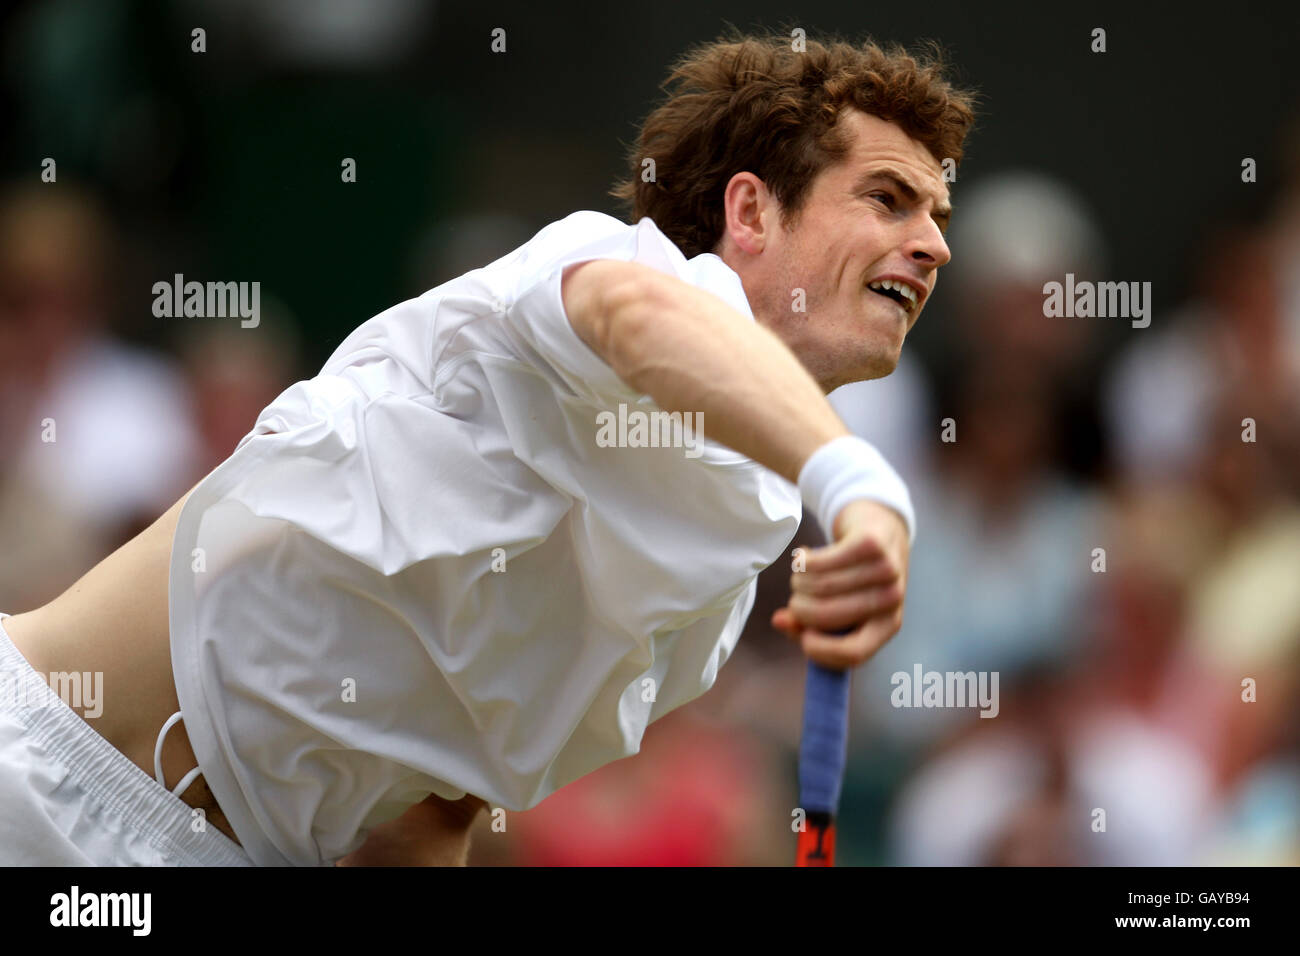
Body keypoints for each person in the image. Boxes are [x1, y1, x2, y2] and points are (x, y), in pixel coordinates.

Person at [0, 32, 975, 866]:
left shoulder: (720, 579)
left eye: (938, 214)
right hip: (32, 762)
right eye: (888, 199)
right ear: (750, 211)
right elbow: (643, 320)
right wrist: (855, 482)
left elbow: (437, 796)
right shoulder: (610, 268)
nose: (931, 242)